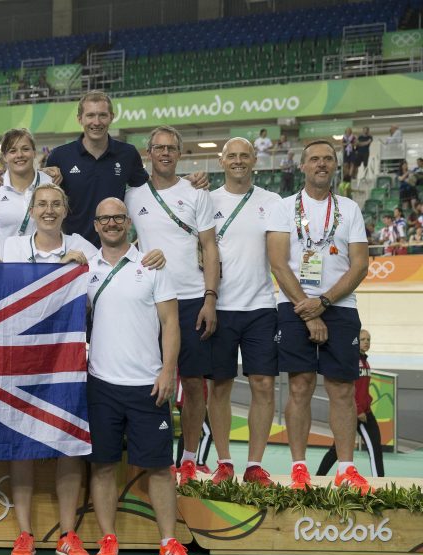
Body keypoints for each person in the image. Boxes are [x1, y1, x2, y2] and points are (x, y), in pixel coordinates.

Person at [85, 196, 196, 555]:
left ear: (128, 222)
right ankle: (108, 539)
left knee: (160, 468)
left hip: (148, 385)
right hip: (101, 384)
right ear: (96, 224)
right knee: (102, 465)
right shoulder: (85, 268)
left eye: (118, 217)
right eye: (105, 219)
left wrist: (168, 371)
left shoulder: (152, 265)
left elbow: (171, 324)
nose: (112, 223)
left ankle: (168, 542)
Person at [266, 139, 370, 494]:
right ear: (303, 166)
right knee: (300, 387)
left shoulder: (350, 209)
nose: (321, 164)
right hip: (295, 306)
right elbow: (278, 264)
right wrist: (308, 312)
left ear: (336, 166)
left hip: (340, 307)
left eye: (328, 159)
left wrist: (323, 303)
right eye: (314, 159)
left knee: (342, 391)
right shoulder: (283, 208)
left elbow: (360, 266)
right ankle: (299, 468)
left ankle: (346, 469)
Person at [0, 183, 94, 555]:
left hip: (66, 361)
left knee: (68, 442)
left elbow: (92, 306)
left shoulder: (84, 247)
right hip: (21, 359)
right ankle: (25, 533)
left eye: (56, 204)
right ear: (32, 209)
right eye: (42, 204)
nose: (49, 210)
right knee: (22, 444)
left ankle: (68, 534)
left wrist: (81, 272)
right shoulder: (12, 248)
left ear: (66, 209)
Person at [0, 91, 206, 247]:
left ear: (111, 117)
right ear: (80, 118)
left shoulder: (127, 154)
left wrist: (185, 181)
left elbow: (152, 190)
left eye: (102, 115)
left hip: (113, 250)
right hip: (72, 250)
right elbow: (29, 176)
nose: (96, 121)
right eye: (90, 115)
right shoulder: (61, 156)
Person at [125, 125, 219, 485]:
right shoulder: (133, 195)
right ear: (149, 153)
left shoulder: (195, 194)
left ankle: (191, 459)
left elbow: (210, 247)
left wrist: (210, 298)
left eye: (171, 148)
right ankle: (151, 455)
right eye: (158, 148)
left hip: (192, 298)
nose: (165, 153)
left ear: (180, 154)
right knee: (151, 382)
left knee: (193, 384)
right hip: (150, 302)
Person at [205, 138, 281, 486]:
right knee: (218, 386)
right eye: (231, 156)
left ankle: (254, 464)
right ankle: (223, 462)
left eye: (244, 156)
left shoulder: (272, 202)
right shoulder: (207, 201)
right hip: (219, 307)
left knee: (263, 384)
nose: (238, 161)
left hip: (261, 307)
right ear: (222, 161)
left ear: (255, 161)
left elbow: (281, 257)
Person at [317, 330, 383, 477]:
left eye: (368, 339)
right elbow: (349, 389)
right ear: (356, 341)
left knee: (372, 449)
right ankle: (318, 477)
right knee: (369, 450)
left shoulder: (365, 362)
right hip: (356, 413)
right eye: (363, 339)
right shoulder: (352, 361)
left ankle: (379, 479)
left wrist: (366, 407)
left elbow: (363, 390)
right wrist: (358, 409)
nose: (366, 342)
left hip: (366, 412)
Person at [0, 128, 54, 238]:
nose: (19, 155)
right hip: (7, 255)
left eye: (25, 149)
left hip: (47, 254)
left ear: (34, 153)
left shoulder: (50, 182)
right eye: (12, 151)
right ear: (5, 157)